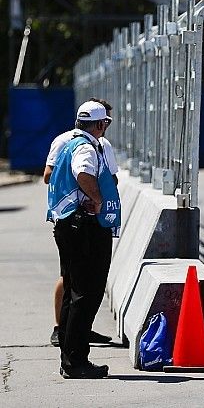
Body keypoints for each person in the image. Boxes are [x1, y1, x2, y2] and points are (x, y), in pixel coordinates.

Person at [47, 101, 122, 379]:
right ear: (101, 124)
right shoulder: (86, 147)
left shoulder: (68, 142)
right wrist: (98, 199)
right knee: (87, 292)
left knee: (73, 290)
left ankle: (70, 357)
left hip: (69, 224)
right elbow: (82, 172)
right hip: (83, 226)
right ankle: (75, 361)